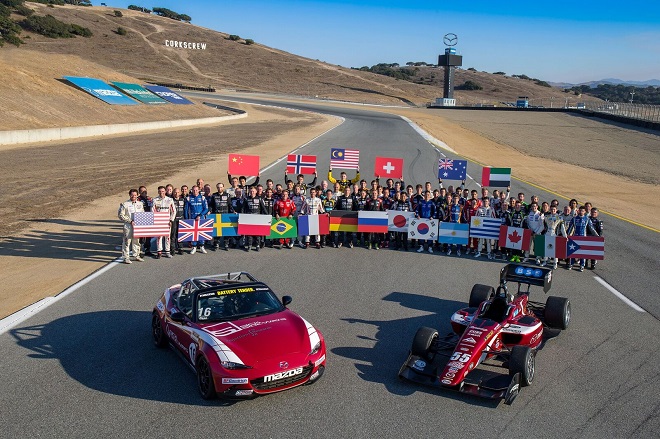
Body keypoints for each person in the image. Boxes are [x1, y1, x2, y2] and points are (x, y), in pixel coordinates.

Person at [118, 189, 145, 264]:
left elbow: (142, 213)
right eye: (132, 195)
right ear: (129, 195)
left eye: (135, 195)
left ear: (137, 195)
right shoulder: (125, 204)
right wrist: (130, 221)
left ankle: (136, 255)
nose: (134, 196)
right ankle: (126, 257)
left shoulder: (140, 204)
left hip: (138, 225)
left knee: (136, 241)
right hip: (128, 226)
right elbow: (120, 215)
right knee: (127, 241)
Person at [566, 206, 597, 272]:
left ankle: (582, 265)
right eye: (580, 210)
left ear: (585, 211)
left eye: (582, 211)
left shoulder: (587, 219)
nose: (581, 212)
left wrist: (597, 236)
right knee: (573, 251)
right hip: (575, 237)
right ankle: (571, 264)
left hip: (583, 238)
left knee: (582, 252)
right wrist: (567, 236)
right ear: (578, 211)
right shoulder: (574, 218)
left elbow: (592, 229)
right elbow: (570, 228)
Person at [152, 185, 175, 259]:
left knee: (167, 237)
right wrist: (155, 220)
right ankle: (159, 252)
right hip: (159, 221)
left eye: (162, 191)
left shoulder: (170, 200)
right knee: (159, 237)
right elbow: (153, 211)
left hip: (167, 221)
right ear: (158, 192)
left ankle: (167, 251)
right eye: (160, 191)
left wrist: (171, 220)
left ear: (165, 191)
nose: (161, 193)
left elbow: (173, 211)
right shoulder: (155, 200)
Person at [185, 185, 209, 254]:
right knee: (193, 233)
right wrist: (186, 219)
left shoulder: (202, 198)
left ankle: (202, 246)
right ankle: (194, 247)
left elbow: (206, 209)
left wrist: (200, 215)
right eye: (193, 190)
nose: (195, 191)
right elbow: (186, 210)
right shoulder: (188, 198)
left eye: (196, 190)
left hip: (201, 218)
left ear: (199, 190)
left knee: (201, 232)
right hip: (192, 218)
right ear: (192, 190)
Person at [242, 186, 267, 251]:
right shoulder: (246, 199)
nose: (252, 192)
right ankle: (249, 245)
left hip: (257, 218)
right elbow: (243, 208)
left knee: (257, 233)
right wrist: (241, 216)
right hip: (249, 218)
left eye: (253, 191)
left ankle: (257, 245)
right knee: (249, 233)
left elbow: (263, 208)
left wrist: (267, 216)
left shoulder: (259, 199)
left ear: (256, 191)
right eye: (251, 191)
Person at [210, 183, 231, 250]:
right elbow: (211, 205)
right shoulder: (214, 195)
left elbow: (230, 205)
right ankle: (216, 243)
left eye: (221, 187)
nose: (220, 189)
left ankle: (226, 244)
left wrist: (233, 211)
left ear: (223, 187)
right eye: (218, 187)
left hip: (225, 215)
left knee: (226, 230)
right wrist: (209, 211)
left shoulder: (227, 195)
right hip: (217, 215)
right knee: (217, 230)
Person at [138, 185, 153, 256]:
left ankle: (147, 250)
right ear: (139, 192)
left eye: (145, 190)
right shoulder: (138, 199)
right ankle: (140, 251)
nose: (144, 192)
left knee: (148, 236)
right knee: (142, 236)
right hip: (141, 219)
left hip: (149, 218)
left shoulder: (149, 199)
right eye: (142, 191)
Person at [170, 187, 186, 255]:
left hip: (181, 219)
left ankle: (180, 248)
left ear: (180, 193)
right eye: (175, 192)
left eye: (178, 192)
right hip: (174, 220)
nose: (176, 194)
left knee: (180, 234)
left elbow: (186, 209)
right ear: (173, 193)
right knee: (173, 235)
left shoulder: (183, 200)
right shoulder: (170, 200)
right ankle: (172, 249)